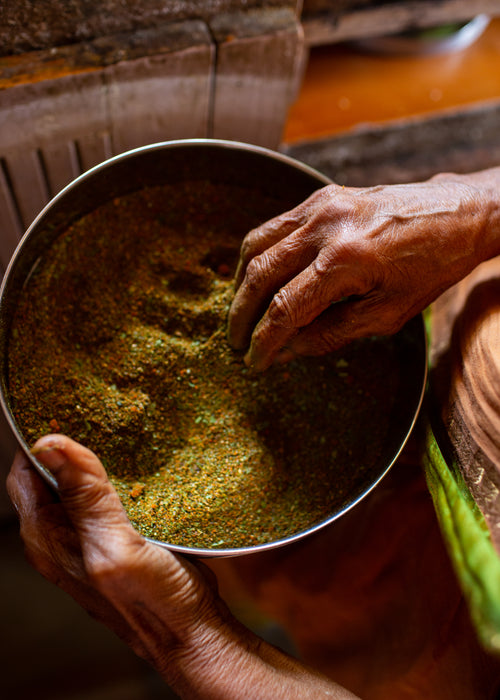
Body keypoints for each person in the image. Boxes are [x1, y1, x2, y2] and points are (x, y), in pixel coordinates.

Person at [7, 167, 500, 699]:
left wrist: (188, 640)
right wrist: (475, 208)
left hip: (422, 621)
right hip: (424, 360)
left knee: (361, 624)